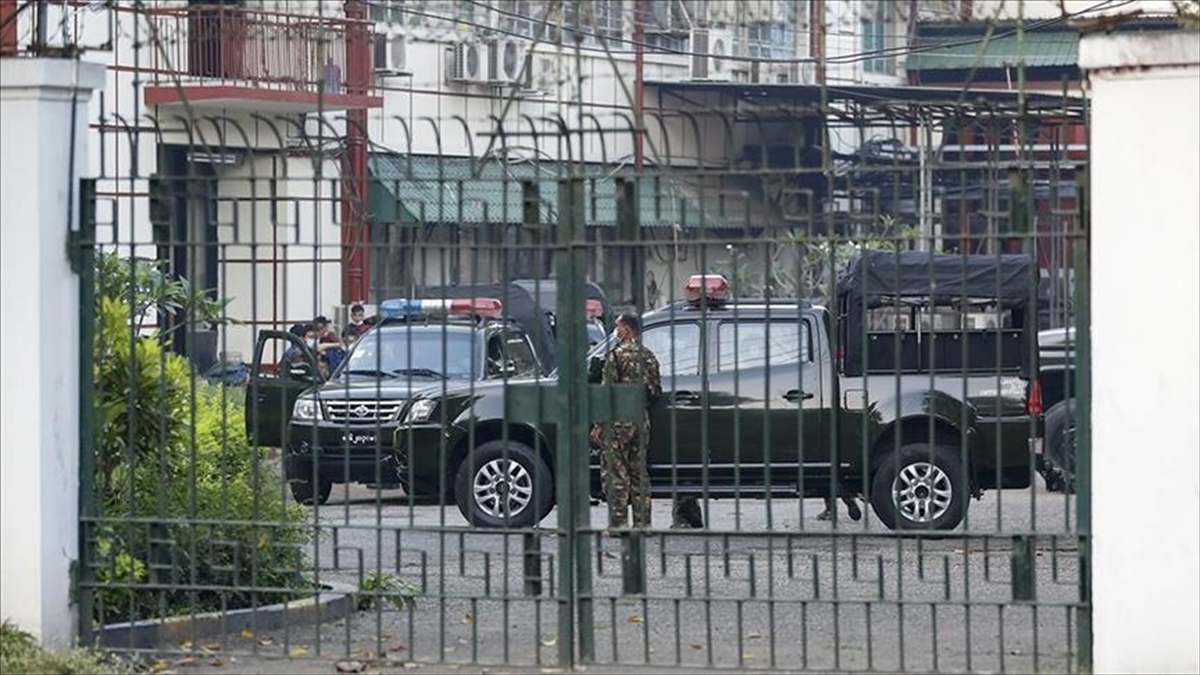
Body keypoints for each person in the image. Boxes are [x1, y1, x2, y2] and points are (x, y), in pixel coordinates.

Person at [589, 312, 661, 530]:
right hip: (640, 419)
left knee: (615, 473)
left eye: (618, 327)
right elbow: (655, 391)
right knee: (639, 472)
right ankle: (643, 525)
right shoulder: (648, 356)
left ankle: (618, 525)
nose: (616, 331)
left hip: (618, 421)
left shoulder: (616, 356)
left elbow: (606, 393)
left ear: (627, 330)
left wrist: (599, 425)